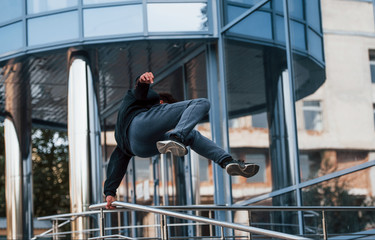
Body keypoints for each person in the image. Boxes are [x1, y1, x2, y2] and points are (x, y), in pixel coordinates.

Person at [104, 72, 259, 209]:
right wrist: (142, 81)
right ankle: (177, 136)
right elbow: (139, 92)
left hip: (139, 149)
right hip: (139, 124)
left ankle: (226, 161)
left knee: (191, 135)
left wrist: (110, 191)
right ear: (162, 104)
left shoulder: (124, 135)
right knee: (201, 103)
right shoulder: (144, 101)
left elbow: (118, 159)